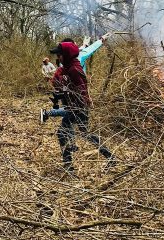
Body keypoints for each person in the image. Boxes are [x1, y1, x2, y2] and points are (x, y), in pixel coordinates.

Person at [39, 41, 114, 173]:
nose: (58, 58)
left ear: (67, 55)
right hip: (72, 108)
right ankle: (70, 166)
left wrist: (80, 104)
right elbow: (59, 83)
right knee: (70, 134)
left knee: (77, 134)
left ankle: (109, 158)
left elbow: (82, 89)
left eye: (60, 55)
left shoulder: (74, 69)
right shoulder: (66, 68)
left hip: (78, 108)